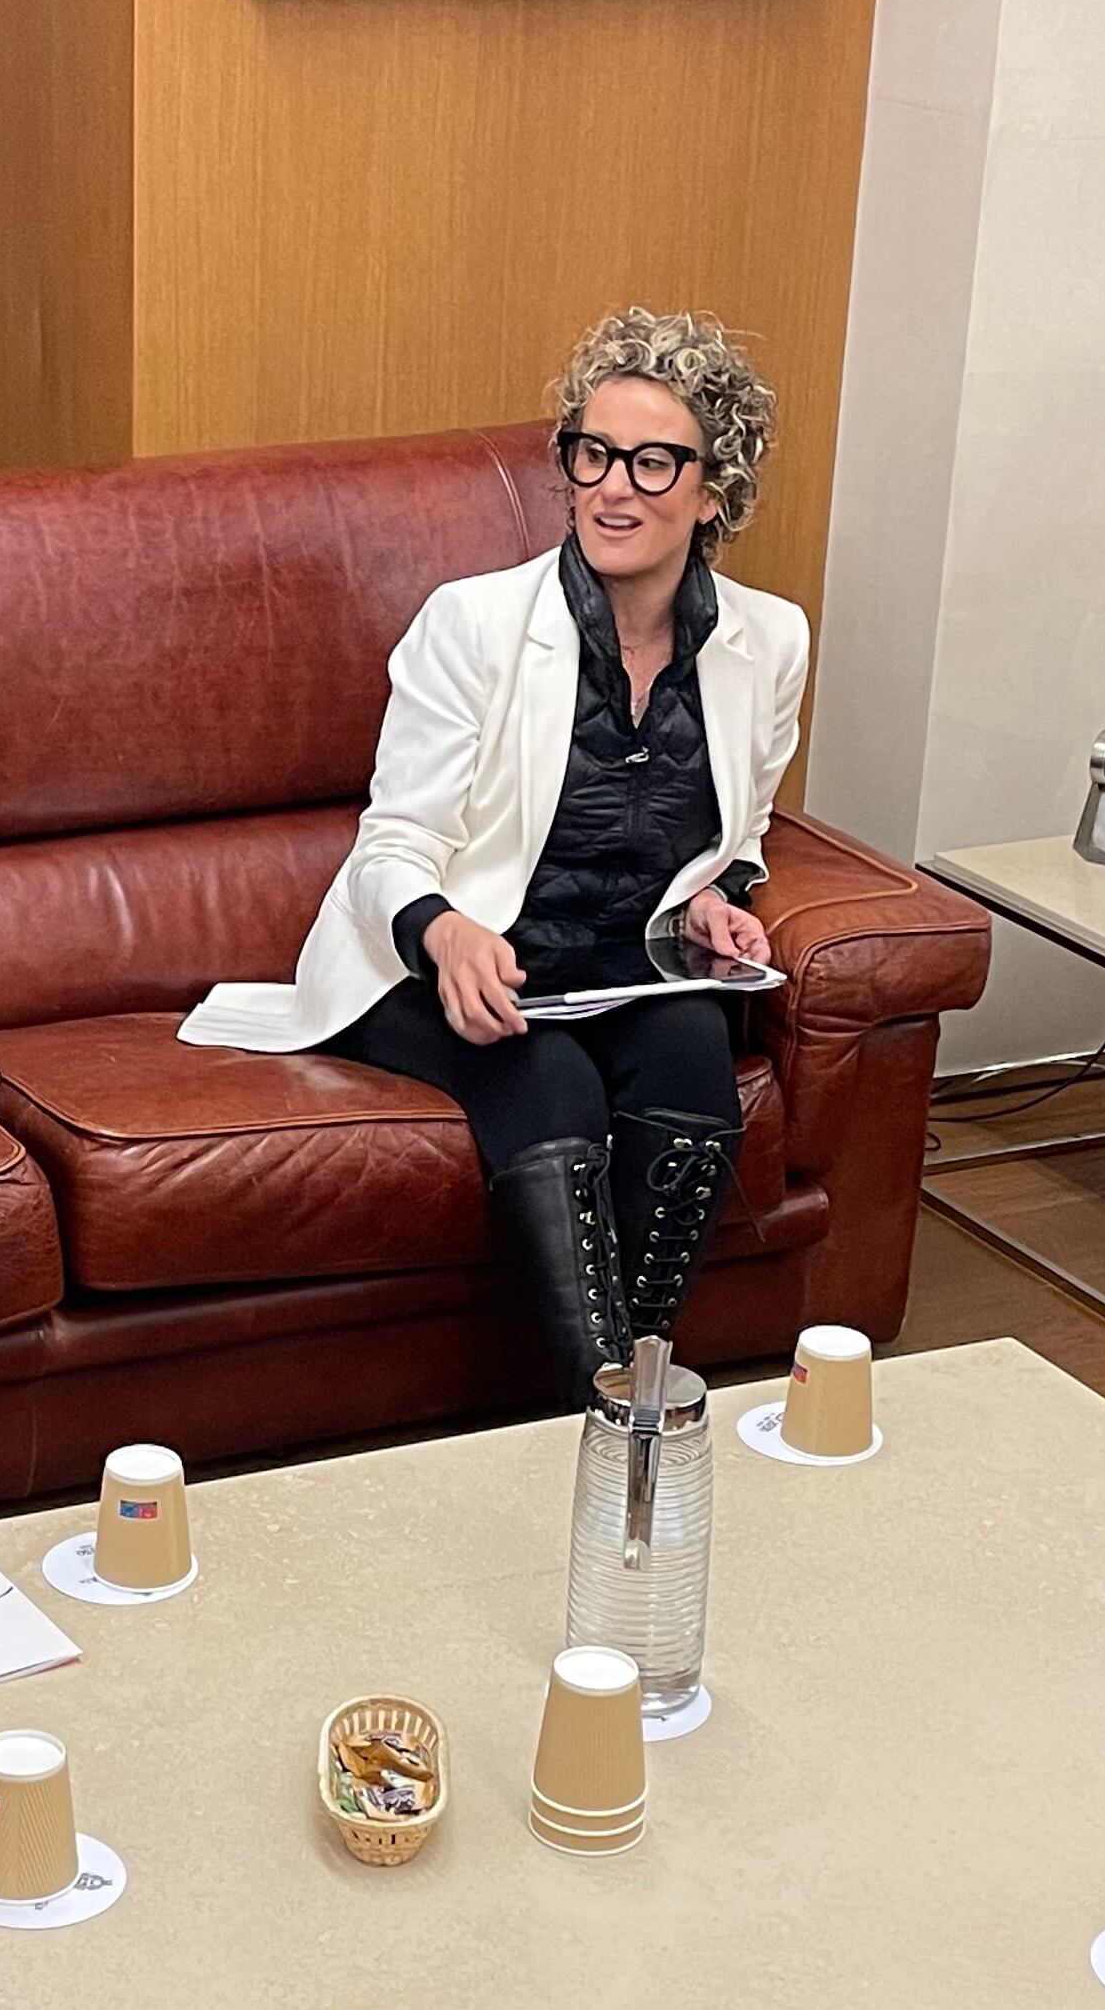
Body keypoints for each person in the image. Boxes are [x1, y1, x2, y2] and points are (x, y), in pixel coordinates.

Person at [183, 307, 803, 1397]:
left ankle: (634, 1394)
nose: (614, 487)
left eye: (654, 463)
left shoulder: (771, 640)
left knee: (696, 1075)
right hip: (450, 967)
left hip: (625, 965)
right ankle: (598, 1420)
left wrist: (719, 894)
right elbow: (394, 844)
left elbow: (738, 825)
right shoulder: (471, 624)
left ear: (715, 491)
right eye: (593, 455)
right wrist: (446, 929)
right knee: (551, 1085)